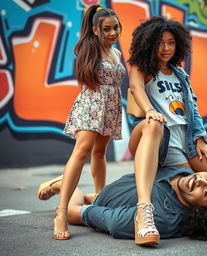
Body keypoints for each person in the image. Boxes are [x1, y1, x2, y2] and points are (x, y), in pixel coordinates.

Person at [127, 16, 207, 245]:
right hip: (157, 137)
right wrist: (149, 111)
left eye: (171, 42)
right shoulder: (143, 68)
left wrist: (200, 139)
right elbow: (136, 88)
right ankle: (143, 212)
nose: (165, 48)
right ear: (148, 43)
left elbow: (192, 110)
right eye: (159, 43)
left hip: (186, 140)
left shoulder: (179, 75)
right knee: (185, 178)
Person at [37, 5, 125, 240]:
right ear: (95, 30)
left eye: (116, 27)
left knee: (100, 153)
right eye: (106, 29)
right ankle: (61, 212)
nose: (113, 33)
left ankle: (99, 197)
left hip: (111, 107)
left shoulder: (116, 53)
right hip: (92, 105)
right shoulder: (91, 48)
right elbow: (86, 75)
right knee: (81, 152)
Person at [37, 165, 207, 244]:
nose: (199, 180)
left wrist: (70, 208)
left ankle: (64, 183)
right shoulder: (182, 169)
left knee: (75, 199)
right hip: (110, 193)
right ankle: (72, 187)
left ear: (200, 210)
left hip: (106, 206)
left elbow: (80, 215)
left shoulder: (163, 218)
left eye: (206, 191)